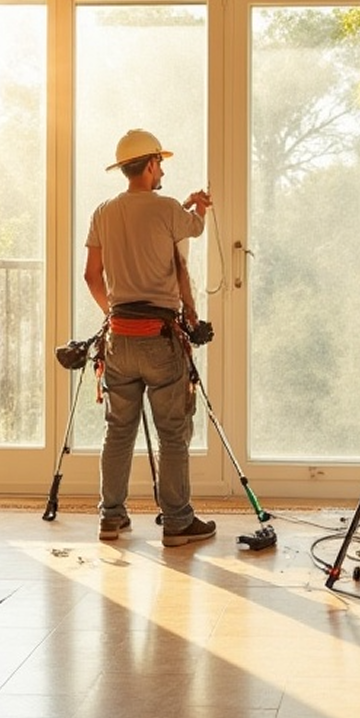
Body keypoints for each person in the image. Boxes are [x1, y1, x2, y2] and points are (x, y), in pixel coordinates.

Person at [84, 128, 217, 547]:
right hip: (161, 339)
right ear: (152, 165)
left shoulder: (103, 211)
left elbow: (92, 275)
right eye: (161, 162)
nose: (163, 169)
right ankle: (178, 521)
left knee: (117, 430)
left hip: (120, 336)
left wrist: (114, 315)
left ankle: (111, 517)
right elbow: (189, 228)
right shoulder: (166, 210)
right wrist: (197, 206)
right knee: (172, 432)